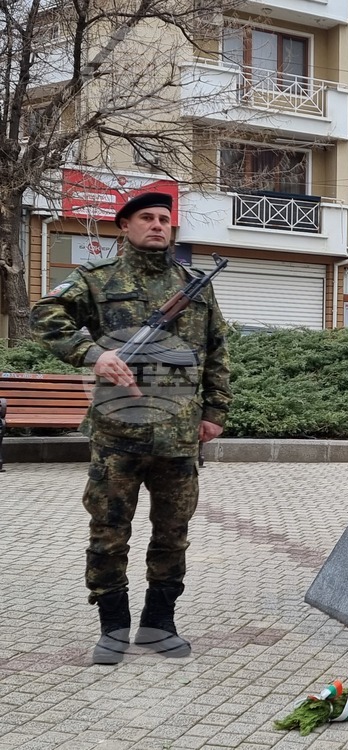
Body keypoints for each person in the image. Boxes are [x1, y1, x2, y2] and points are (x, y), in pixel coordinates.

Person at [30, 192, 232, 664]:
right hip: (117, 436)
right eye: (147, 217)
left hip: (178, 435)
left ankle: (159, 624)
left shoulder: (194, 285)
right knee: (108, 532)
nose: (158, 225)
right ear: (124, 225)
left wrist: (214, 412)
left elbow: (217, 351)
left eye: (164, 219)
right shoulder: (97, 279)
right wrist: (94, 354)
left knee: (172, 534)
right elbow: (45, 315)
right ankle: (113, 629)